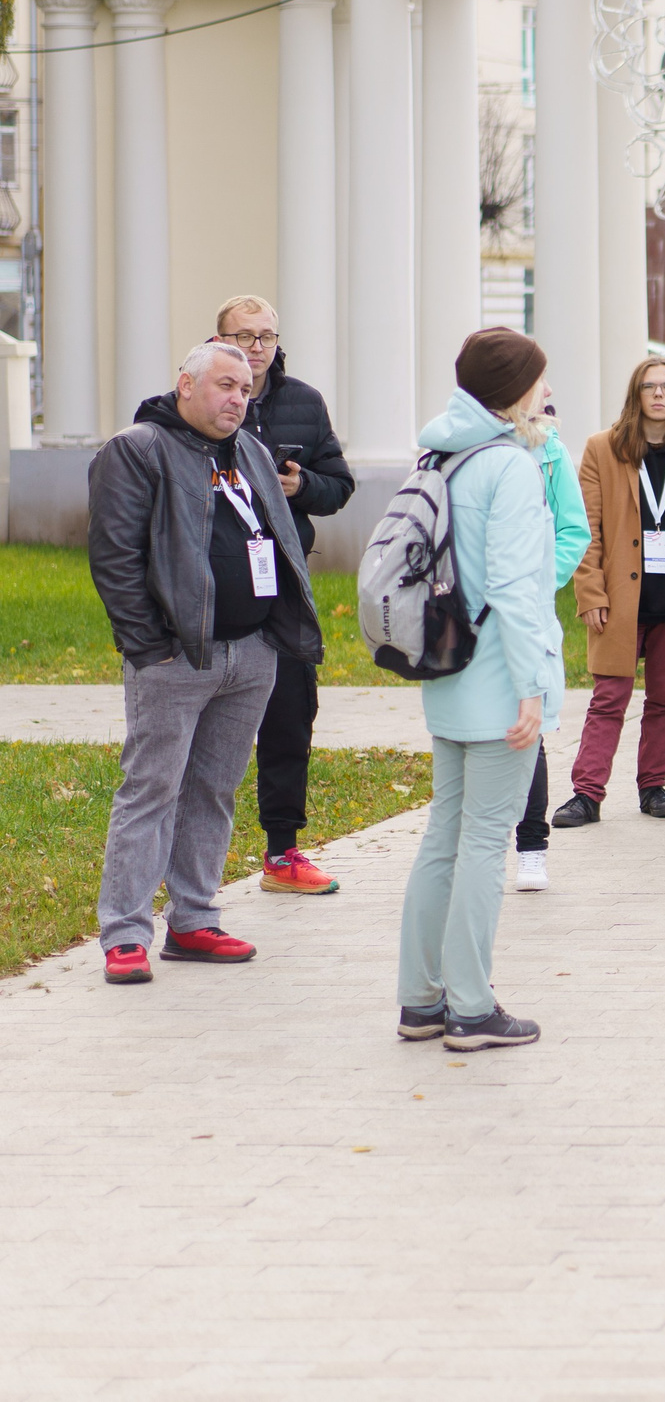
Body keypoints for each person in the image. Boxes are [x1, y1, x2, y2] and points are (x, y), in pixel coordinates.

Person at [88, 340, 325, 986]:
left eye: (245, 389)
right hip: (174, 657)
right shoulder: (137, 449)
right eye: (223, 384)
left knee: (214, 791)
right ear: (185, 384)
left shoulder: (247, 448)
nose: (235, 399)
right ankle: (126, 934)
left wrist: (274, 636)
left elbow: (276, 536)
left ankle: (193, 918)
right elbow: (115, 558)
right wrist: (149, 645)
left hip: (251, 653)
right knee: (151, 790)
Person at [394, 328, 564, 1049]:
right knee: (485, 840)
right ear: (514, 389)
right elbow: (520, 589)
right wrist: (532, 688)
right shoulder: (511, 467)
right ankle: (470, 1005)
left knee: (444, 835)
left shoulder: (441, 451)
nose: (547, 392)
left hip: (448, 666)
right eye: (539, 380)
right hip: (500, 678)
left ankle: (421, 998)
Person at [207, 295, 356, 900]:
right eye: (243, 338)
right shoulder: (201, 401)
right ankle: (192, 862)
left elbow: (339, 485)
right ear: (219, 341)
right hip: (218, 586)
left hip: (284, 583)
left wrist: (301, 486)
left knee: (290, 716)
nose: (256, 349)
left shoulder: (304, 402)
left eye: (265, 337)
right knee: (207, 730)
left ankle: (282, 850)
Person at [553, 356, 665, 828]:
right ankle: (586, 794)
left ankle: (653, 786)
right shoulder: (602, 449)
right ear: (636, 394)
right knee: (609, 697)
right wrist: (590, 594)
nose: (658, 394)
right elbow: (585, 528)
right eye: (649, 386)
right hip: (620, 603)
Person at [512, 397, 593, 890]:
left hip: (529, 611)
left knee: (529, 730)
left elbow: (573, 529)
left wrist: (542, 581)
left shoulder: (551, 452)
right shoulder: (457, 446)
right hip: (471, 617)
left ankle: (532, 847)